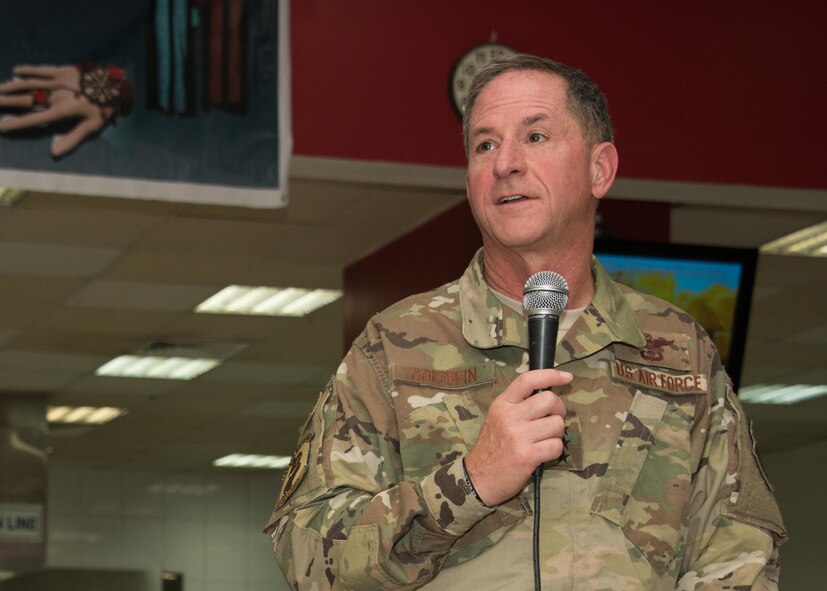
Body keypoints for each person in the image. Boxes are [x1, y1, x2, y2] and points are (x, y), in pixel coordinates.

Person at [265, 54, 787, 590]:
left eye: (535, 137)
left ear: (599, 168)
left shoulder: (679, 348)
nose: (505, 163)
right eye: (484, 145)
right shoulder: (394, 347)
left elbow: (739, 553)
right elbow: (306, 557)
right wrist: (469, 483)